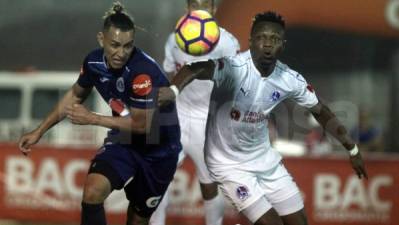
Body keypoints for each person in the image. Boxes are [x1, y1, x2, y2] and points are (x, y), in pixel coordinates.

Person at [158, 11, 368, 225]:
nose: (267, 44)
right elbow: (196, 68)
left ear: (283, 45)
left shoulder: (289, 78)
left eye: (274, 39)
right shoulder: (234, 67)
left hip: (264, 161)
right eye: (261, 38)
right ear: (250, 41)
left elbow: (321, 111)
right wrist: (174, 89)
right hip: (228, 165)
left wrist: (352, 148)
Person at [18, 2, 181, 225]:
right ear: (100, 39)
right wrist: (39, 131)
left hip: (159, 149)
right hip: (124, 140)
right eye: (115, 45)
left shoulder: (143, 72)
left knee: (137, 219)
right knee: (92, 191)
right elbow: (75, 95)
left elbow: (143, 126)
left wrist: (92, 118)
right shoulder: (93, 63)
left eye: (128, 46)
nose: (121, 53)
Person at [127, 1, 240, 225]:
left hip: (207, 121)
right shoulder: (174, 40)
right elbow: (169, 78)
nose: (200, 10)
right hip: (176, 116)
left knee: (209, 185)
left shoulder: (228, 43)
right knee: (158, 178)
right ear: (187, 9)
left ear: (214, 9)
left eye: (205, 5)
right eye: (195, 4)